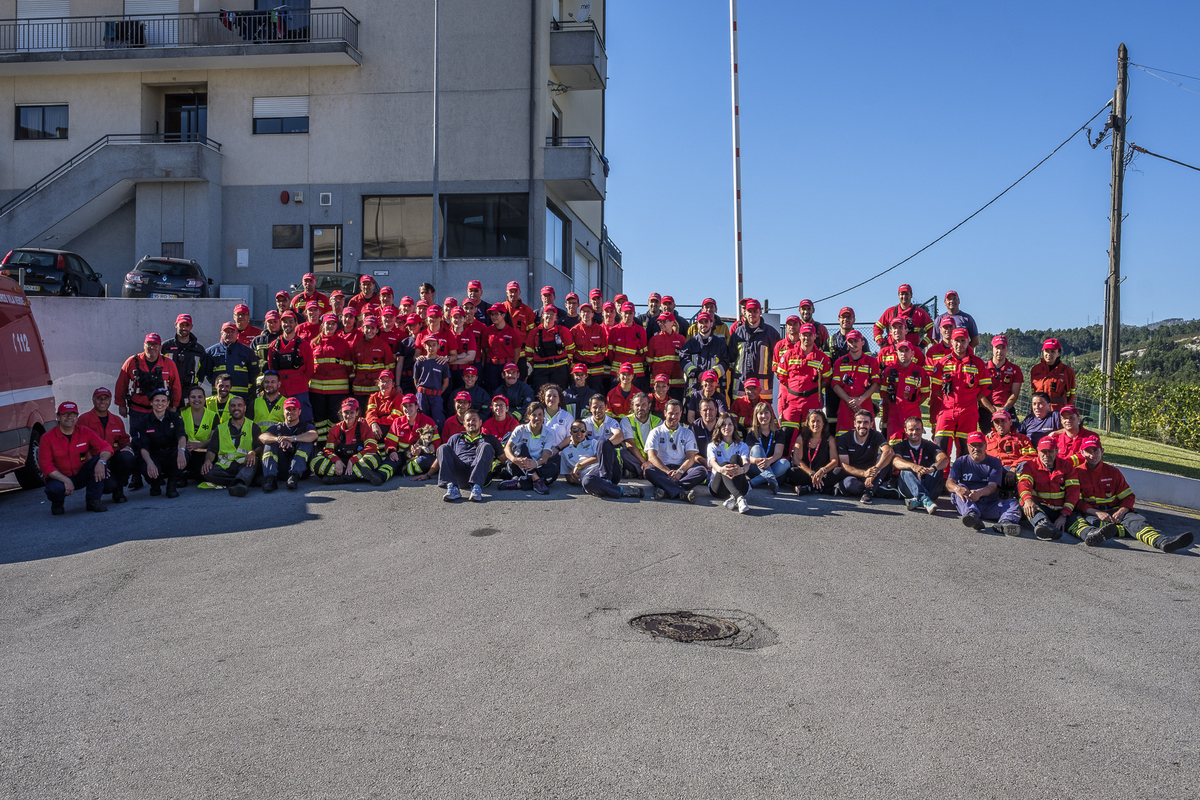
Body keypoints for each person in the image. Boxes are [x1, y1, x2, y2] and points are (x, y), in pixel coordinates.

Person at [1066, 436, 1193, 552]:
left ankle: (1162, 542)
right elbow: (1078, 501)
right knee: (1091, 523)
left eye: (1096, 451)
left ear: (1102, 451)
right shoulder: (1076, 473)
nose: (1092, 455)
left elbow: (1128, 496)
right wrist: (1097, 513)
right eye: (1088, 451)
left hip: (1117, 512)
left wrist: (1122, 511)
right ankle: (1125, 530)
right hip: (1093, 514)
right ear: (1082, 453)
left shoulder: (1113, 472)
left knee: (1137, 520)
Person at [39, 401, 113, 515]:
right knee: (54, 489)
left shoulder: (85, 431)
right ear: (58, 417)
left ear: (77, 417)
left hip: (81, 474)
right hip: (60, 478)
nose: (70, 418)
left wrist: (101, 462)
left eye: (73, 415)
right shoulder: (47, 438)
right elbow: (46, 466)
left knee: (99, 461)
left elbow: (106, 447)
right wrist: (65, 480)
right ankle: (57, 503)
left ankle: (93, 501)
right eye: (65, 414)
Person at [930, 328, 991, 461]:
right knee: (940, 446)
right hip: (946, 410)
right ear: (951, 341)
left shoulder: (978, 363)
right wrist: (948, 400)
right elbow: (935, 388)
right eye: (956, 341)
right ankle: (941, 478)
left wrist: (972, 400)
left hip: (969, 412)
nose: (960, 344)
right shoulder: (942, 363)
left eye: (963, 341)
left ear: (968, 341)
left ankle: (961, 479)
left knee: (966, 449)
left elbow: (986, 388)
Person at [945, 432, 1022, 535]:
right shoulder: (961, 461)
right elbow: (949, 482)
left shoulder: (995, 462)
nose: (976, 448)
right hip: (968, 502)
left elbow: (992, 487)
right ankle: (972, 515)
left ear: (985, 445)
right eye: (973, 446)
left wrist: (979, 493)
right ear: (968, 446)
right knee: (960, 488)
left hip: (989, 504)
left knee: (1013, 503)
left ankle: (1006, 522)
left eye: (980, 445)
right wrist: (957, 489)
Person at [77, 387, 135, 504]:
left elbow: (125, 440)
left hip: (113, 458)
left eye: (105, 399)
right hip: (95, 459)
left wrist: (128, 448)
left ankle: (119, 489)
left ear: (110, 400)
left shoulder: (117, 420)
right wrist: (95, 463)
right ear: (93, 400)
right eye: (99, 399)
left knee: (128, 457)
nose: (102, 402)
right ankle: (97, 493)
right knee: (108, 486)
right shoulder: (84, 420)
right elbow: (80, 445)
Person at [310, 398, 387, 485]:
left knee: (374, 459)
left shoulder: (364, 427)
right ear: (341, 413)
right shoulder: (334, 429)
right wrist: (336, 460)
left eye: (352, 413)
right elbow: (328, 450)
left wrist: (353, 459)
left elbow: (372, 448)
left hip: (358, 462)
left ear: (357, 413)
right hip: (341, 464)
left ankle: (339, 478)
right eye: (346, 413)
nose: (348, 416)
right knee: (315, 462)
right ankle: (355, 476)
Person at [116, 332, 183, 432]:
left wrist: (174, 406)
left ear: (160, 347)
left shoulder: (168, 363)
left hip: (161, 411)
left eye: (155, 345)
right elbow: (121, 384)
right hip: (137, 410)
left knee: (161, 440)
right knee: (137, 440)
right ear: (144, 345)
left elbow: (176, 386)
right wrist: (121, 405)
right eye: (149, 344)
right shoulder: (132, 362)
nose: (152, 347)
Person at [643, 399, 707, 502]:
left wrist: (680, 472)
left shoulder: (688, 433)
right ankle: (681, 492)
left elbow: (691, 457)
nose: (674, 417)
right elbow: (651, 457)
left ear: (681, 413)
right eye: (671, 413)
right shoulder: (655, 432)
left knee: (702, 471)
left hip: (682, 469)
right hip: (662, 469)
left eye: (677, 414)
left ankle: (666, 489)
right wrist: (668, 472)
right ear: (665, 413)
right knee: (649, 470)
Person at [1017, 437, 1081, 540]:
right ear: (1038, 450)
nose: (1046, 455)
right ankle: (1044, 526)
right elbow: (1024, 483)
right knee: (1024, 501)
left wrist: (1064, 514)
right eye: (1043, 451)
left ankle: (1089, 533)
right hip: (1042, 508)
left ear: (1057, 450)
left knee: (1078, 523)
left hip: (1062, 509)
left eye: (1050, 451)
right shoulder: (1030, 466)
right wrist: (1027, 499)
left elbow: (1073, 492)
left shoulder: (1067, 466)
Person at [198, 395, 260, 497]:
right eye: (233, 406)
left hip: (244, 464)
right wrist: (207, 461)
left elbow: (259, 447)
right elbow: (212, 449)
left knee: (254, 461)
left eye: (239, 405)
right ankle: (242, 481)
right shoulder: (220, 428)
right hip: (225, 467)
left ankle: (241, 483)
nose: (236, 408)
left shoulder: (254, 426)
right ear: (229, 409)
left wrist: (253, 452)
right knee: (206, 473)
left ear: (244, 408)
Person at [131, 388, 187, 499]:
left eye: (163, 401)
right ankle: (154, 484)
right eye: (157, 400)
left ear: (168, 403)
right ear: (151, 402)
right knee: (145, 465)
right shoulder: (144, 422)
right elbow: (143, 446)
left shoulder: (175, 417)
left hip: (171, 453)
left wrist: (181, 451)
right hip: (154, 455)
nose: (160, 404)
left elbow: (181, 436)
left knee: (184, 454)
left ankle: (172, 485)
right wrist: (150, 463)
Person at [777, 322, 831, 433]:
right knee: (786, 434)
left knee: (810, 436)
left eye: (810, 335)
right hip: (792, 402)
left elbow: (826, 379)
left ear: (815, 336)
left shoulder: (822, 358)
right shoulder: (788, 355)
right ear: (800, 335)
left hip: (812, 401)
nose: (807, 338)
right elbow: (782, 378)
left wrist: (813, 389)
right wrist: (795, 389)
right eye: (804, 335)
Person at [438, 408, 500, 503]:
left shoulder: (490, 439)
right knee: (443, 447)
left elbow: (504, 459)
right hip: (461, 474)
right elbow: (444, 456)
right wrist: (427, 474)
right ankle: (453, 488)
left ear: (480, 422)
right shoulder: (455, 438)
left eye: (474, 420)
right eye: (468, 420)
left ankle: (477, 487)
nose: (471, 422)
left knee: (486, 445)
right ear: (464, 424)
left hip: (481, 475)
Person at [308, 313, 355, 438]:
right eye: (328, 323)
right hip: (317, 389)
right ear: (323, 325)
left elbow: (349, 367)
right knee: (319, 418)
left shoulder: (343, 344)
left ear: (336, 326)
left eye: (333, 324)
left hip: (337, 389)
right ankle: (322, 444)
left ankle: (333, 442)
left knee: (335, 417)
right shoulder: (314, 343)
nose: (330, 326)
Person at [891, 416, 948, 514]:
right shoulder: (900, 446)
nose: (914, 433)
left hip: (929, 487)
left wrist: (933, 468)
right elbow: (896, 461)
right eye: (911, 430)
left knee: (938, 468)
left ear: (922, 430)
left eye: (917, 429)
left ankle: (917, 501)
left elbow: (944, 459)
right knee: (906, 470)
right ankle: (925, 499)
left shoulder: (929, 445)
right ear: (905, 430)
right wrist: (913, 466)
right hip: (907, 489)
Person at [259, 397, 318, 492]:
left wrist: (293, 439)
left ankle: (293, 477)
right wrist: (278, 439)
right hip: (280, 470)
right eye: (288, 409)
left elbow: (313, 434)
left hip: (301, 473)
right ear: (283, 411)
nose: (291, 412)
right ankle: (270, 479)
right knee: (269, 443)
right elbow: (262, 437)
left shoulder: (306, 426)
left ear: (299, 411)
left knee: (306, 442)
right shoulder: (277, 427)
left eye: (294, 409)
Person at [500, 402, 560, 494]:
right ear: (529, 416)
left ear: (544, 416)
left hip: (536, 465)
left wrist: (535, 464)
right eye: (534, 415)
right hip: (518, 465)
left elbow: (545, 457)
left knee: (554, 470)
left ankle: (519, 483)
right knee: (520, 446)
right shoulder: (520, 429)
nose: (537, 418)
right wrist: (514, 459)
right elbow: (507, 448)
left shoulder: (549, 434)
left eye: (540, 415)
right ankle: (537, 480)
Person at [266, 310, 315, 422]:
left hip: (300, 389)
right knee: (281, 421)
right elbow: (271, 368)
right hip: (281, 390)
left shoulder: (304, 345)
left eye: (290, 321)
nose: (287, 324)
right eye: (285, 322)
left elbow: (310, 369)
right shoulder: (274, 346)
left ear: (296, 323)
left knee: (304, 420)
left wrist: (300, 381)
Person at [837, 408, 894, 503]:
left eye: (866, 423)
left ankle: (868, 491)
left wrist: (874, 472)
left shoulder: (876, 435)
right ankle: (877, 489)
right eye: (859, 422)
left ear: (871, 424)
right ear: (854, 423)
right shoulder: (844, 438)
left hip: (874, 474)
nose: (862, 426)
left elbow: (889, 451)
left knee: (886, 456)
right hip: (855, 475)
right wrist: (864, 473)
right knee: (849, 484)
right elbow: (845, 466)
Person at [830, 330, 879, 436]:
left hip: (865, 404)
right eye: (850, 341)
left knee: (868, 440)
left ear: (863, 342)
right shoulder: (840, 362)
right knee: (843, 439)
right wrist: (849, 401)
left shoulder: (872, 362)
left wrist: (861, 399)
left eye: (856, 341)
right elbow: (835, 385)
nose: (853, 344)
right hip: (845, 405)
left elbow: (876, 383)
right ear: (847, 343)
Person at [729, 298, 780, 396]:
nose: (752, 314)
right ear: (745, 312)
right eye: (749, 311)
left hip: (763, 389)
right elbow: (730, 358)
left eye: (755, 311)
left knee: (763, 411)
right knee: (739, 411)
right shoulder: (738, 333)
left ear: (760, 311)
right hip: (741, 387)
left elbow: (778, 357)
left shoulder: (771, 333)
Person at [880, 341, 929, 443]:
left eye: (906, 351)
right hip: (894, 415)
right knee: (894, 446)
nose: (903, 353)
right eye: (901, 351)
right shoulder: (888, 371)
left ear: (912, 353)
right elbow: (883, 393)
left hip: (913, 413)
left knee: (912, 445)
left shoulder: (921, 372)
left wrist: (912, 404)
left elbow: (925, 394)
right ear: (897, 353)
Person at [383, 394, 442, 479]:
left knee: (426, 461)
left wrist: (421, 451)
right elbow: (389, 441)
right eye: (405, 406)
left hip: (421, 456)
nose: (407, 408)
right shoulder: (397, 422)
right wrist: (392, 451)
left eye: (410, 405)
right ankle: (380, 476)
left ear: (417, 406)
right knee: (391, 460)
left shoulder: (428, 421)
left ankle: (402, 470)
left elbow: (436, 443)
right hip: (402, 455)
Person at [784, 408, 840, 495]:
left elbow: (835, 461)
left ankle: (808, 488)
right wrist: (811, 473)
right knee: (792, 472)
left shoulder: (830, 439)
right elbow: (797, 460)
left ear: (823, 423)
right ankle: (823, 489)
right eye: (813, 421)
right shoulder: (801, 438)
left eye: (818, 421)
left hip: (823, 474)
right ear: (808, 423)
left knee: (839, 471)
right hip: (807, 474)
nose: (815, 424)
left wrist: (822, 470)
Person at [707, 412, 753, 514]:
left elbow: (746, 462)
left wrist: (742, 469)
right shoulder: (712, 446)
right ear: (719, 427)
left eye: (730, 424)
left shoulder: (742, 446)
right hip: (719, 488)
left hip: (741, 485)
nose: (727, 427)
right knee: (724, 464)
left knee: (735, 458)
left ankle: (733, 497)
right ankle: (739, 498)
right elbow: (713, 462)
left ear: (734, 427)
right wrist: (721, 469)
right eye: (723, 424)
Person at [985, 408, 1035, 494]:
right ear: (993, 424)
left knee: (1025, 466)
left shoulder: (1022, 439)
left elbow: (1031, 456)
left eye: (1003, 421)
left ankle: (1023, 496)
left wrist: (1014, 467)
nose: (1000, 424)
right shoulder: (987, 439)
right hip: (994, 472)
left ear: (1010, 422)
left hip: (1015, 470)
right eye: (997, 422)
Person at [523, 306, 575, 390]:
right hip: (540, 370)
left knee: (560, 395)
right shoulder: (534, 332)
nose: (549, 316)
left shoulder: (564, 331)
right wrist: (537, 365)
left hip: (559, 370)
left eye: (552, 314)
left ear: (556, 317)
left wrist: (563, 364)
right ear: (543, 315)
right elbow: (528, 354)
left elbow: (571, 351)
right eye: (547, 313)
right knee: (540, 395)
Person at [204, 322, 257, 402]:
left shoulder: (248, 352)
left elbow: (254, 373)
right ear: (221, 334)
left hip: (241, 397)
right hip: (219, 397)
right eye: (227, 332)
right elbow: (208, 373)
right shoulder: (211, 352)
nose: (230, 334)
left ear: (237, 334)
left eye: (233, 332)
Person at [349, 315, 394, 409]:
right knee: (360, 416)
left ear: (377, 330)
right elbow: (353, 367)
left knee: (373, 414)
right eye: (367, 328)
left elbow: (390, 368)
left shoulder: (383, 346)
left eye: (372, 328)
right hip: (359, 389)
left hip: (376, 390)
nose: (370, 331)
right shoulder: (357, 345)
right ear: (362, 329)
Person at [981, 335, 1023, 431]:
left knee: (1015, 434)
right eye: (997, 348)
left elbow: (1015, 393)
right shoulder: (983, 368)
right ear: (992, 349)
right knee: (989, 438)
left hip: (1007, 409)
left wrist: (1005, 409)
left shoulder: (1015, 369)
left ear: (1007, 350)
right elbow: (980, 394)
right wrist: (993, 410)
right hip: (987, 409)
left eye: (1003, 348)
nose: (999, 351)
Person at [743, 402, 787, 493]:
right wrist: (756, 461)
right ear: (756, 416)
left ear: (771, 414)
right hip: (756, 467)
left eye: (766, 412)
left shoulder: (779, 432)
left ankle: (755, 482)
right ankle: (771, 477)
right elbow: (747, 455)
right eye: (760, 413)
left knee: (785, 463)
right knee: (756, 448)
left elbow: (778, 454)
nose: (764, 416)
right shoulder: (751, 433)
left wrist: (769, 461)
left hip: (772, 464)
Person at [162, 313, 210, 399]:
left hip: (190, 392)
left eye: (187, 325)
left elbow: (202, 372)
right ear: (176, 325)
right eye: (181, 325)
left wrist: (196, 387)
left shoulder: (199, 350)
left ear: (191, 327)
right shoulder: (166, 347)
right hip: (168, 391)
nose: (184, 328)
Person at [872, 283, 933, 349]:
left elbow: (932, 330)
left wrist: (922, 345)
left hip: (911, 352)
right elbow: (877, 327)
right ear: (898, 295)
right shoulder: (890, 311)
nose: (904, 296)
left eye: (907, 294)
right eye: (902, 294)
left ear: (911, 295)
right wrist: (881, 342)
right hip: (891, 351)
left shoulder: (920, 313)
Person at [619, 392, 661, 478]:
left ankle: (637, 472)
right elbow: (630, 444)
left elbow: (660, 446)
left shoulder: (658, 421)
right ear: (632, 407)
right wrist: (644, 463)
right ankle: (649, 472)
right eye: (637, 405)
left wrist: (650, 461)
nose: (640, 408)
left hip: (654, 457)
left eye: (643, 405)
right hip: (636, 457)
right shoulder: (626, 420)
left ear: (649, 406)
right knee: (621, 453)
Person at [412, 337, 450, 430]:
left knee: (438, 422)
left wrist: (439, 392)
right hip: (422, 396)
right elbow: (416, 380)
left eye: (434, 345)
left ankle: (438, 442)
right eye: (428, 345)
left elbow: (446, 382)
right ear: (424, 346)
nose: (431, 348)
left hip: (436, 397)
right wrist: (420, 391)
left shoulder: (442, 363)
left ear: (438, 346)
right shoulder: (420, 362)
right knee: (422, 421)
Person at [608, 301, 648, 390]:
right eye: (625, 313)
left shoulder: (641, 331)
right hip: (617, 372)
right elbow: (610, 353)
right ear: (621, 313)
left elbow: (644, 353)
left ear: (634, 314)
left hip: (637, 374)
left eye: (630, 313)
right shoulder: (614, 331)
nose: (628, 316)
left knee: (637, 401)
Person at [570, 302, 609, 392]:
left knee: (596, 395)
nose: (585, 314)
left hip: (596, 370)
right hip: (580, 370)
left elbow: (603, 350)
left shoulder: (600, 330)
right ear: (580, 314)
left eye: (588, 312)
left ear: (592, 314)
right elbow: (570, 352)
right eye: (583, 312)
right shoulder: (574, 330)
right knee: (578, 393)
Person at [181, 385, 216, 482]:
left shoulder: (213, 416)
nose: (196, 400)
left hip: (203, 452)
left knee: (201, 477)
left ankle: (190, 473)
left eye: (200, 397)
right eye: (193, 397)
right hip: (185, 452)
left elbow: (213, 439)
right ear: (188, 399)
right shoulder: (181, 414)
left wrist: (199, 445)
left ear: (205, 398)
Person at [647, 314, 687, 399]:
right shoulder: (654, 340)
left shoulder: (681, 339)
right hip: (659, 384)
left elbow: (685, 359)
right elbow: (649, 361)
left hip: (677, 383)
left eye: (664, 321)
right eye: (659, 322)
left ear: (672, 322)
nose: (661, 324)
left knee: (676, 409)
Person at [1030, 338, 1076, 411]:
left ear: (1058, 353)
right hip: (1039, 412)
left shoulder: (1067, 371)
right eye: (1046, 351)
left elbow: (1071, 395)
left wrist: (1065, 412)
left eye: (1052, 351)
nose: (1049, 354)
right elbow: (1033, 393)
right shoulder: (1035, 370)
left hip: (1058, 412)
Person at [249, 310, 283, 377]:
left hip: (282, 377)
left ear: (280, 322)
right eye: (269, 322)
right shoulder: (257, 341)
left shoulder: (285, 338)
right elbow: (252, 359)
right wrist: (265, 365)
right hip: (262, 377)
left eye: (275, 322)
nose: (272, 324)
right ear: (265, 323)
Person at [690, 397, 720, 467]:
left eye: (711, 409)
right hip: (700, 464)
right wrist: (704, 461)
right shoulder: (693, 427)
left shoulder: (723, 425)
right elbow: (690, 453)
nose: (708, 412)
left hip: (720, 462)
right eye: (705, 410)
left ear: (716, 410)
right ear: (700, 412)